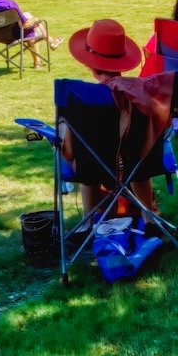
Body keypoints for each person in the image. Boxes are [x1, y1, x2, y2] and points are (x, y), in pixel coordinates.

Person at [64, 18, 161, 218]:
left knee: (86, 160)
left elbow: (69, 150)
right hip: (138, 163)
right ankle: (149, 217)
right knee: (138, 158)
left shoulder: (80, 100)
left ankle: (89, 220)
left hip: (93, 167)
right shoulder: (142, 95)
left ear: (90, 65)